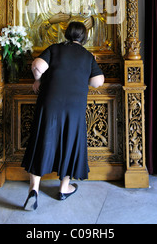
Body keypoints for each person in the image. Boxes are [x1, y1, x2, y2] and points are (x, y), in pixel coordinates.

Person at [22, 21, 104, 210]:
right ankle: (64, 188)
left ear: (67, 34)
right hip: (74, 107)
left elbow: (37, 66)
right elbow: (98, 81)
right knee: (69, 142)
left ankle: (34, 189)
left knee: (43, 139)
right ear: (84, 37)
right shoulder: (87, 56)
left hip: (50, 103)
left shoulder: (55, 48)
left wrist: (38, 80)